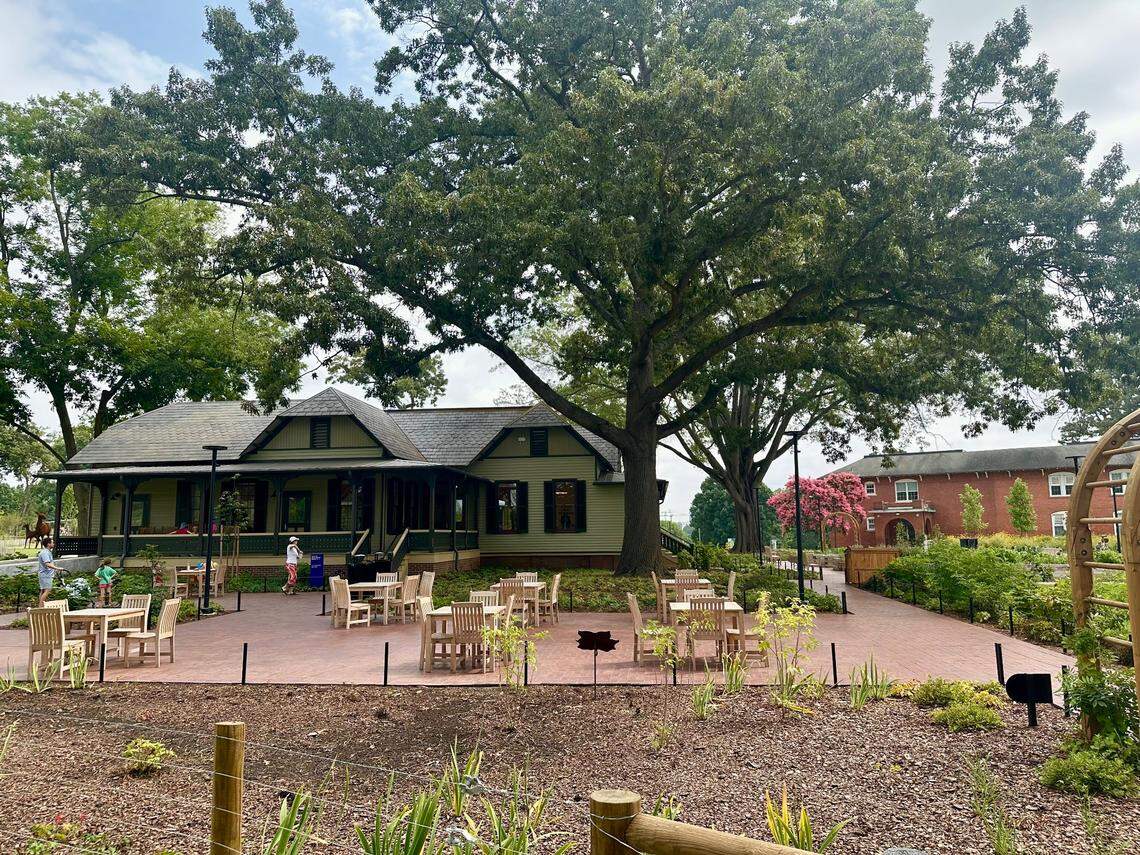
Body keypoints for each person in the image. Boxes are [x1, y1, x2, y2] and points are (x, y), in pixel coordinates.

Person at [37, 537, 64, 607]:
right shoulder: (45, 553)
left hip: (45, 574)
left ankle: (41, 607)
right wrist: (57, 568)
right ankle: (40, 608)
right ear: (48, 544)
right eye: (52, 542)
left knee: (43, 591)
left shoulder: (46, 552)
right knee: (47, 590)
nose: (54, 544)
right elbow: (47, 564)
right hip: (45, 575)